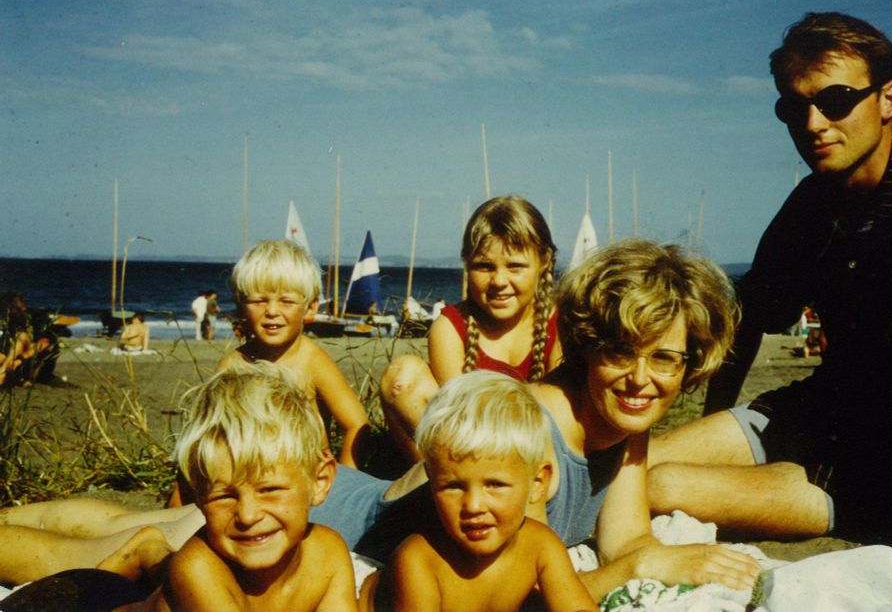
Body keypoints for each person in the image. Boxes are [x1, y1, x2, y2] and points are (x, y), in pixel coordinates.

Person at [0, 240, 760, 602]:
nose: (641, 377)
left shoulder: (625, 436)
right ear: (587, 343)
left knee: (117, 519)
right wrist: (635, 567)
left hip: (347, 502)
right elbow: (512, 566)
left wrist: (659, 559)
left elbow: (623, 543)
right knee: (103, 544)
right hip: (332, 516)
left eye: (665, 360)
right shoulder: (526, 424)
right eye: (622, 352)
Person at [648, 11, 892, 547]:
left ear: (889, 99)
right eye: (794, 107)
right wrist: (720, 426)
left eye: (834, 102)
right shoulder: (813, 202)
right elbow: (747, 321)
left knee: (658, 487)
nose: (813, 125)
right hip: (824, 411)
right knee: (635, 462)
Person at [2, 365, 359, 611]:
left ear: (320, 481)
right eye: (224, 495)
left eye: (270, 490)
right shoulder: (198, 568)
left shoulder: (328, 555)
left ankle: (147, 550)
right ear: (199, 498)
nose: (248, 515)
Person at [360, 372, 597, 612]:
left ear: (537, 483)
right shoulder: (419, 560)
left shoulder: (541, 546)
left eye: (495, 484)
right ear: (431, 484)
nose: (473, 505)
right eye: (453, 486)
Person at [379, 196, 562, 465]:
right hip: (468, 456)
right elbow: (457, 419)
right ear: (466, 263)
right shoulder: (451, 327)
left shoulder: (562, 324)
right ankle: (434, 486)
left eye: (515, 266)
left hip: (541, 454)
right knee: (402, 376)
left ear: (544, 260)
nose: (499, 281)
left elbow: (560, 419)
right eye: (484, 266)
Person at [218, 240, 369, 469]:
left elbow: (356, 424)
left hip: (309, 478)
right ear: (241, 306)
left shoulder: (312, 360)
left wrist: (343, 482)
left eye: (287, 301)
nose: (271, 311)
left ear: (310, 307)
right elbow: (208, 434)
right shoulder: (234, 365)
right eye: (259, 301)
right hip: (252, 480)